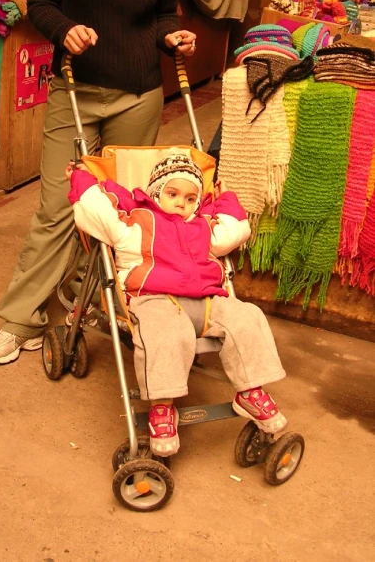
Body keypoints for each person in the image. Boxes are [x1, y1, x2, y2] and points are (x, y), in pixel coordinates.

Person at [0, 0, 197, 365]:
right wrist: (66, 30)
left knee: (121, 209)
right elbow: (42, 3)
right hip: (75, 89)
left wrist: (174, 36)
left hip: (139, 93)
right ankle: (20, 318)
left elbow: (163, 15)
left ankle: (91, 296)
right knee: (59, 207)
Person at [66, 148, 287, 457]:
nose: (182, 203)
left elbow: (236, 230)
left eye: (191, 198)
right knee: (166, 334)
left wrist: (223, 200)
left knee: (246, 317)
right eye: (173, 194)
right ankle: (162, 407)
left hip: (208, 299)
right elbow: (97, 213)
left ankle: (250, 390)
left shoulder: (203, 227)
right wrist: (82, 180)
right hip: (155, 298)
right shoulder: (135, 222)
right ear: (156, 192)